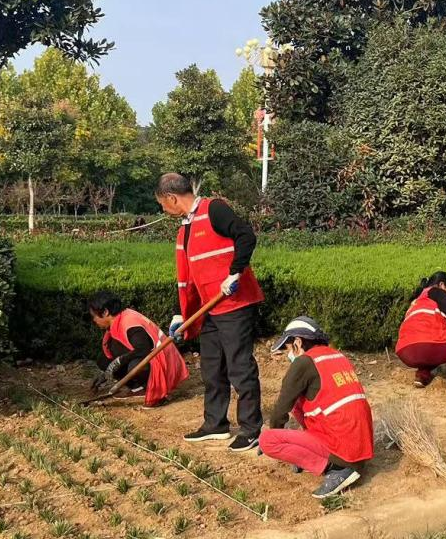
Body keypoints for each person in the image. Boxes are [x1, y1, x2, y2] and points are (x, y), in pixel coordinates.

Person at [155, 173, 265, 451]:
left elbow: (246, 236)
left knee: (240, 367)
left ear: (171, 198)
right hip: (210, 310)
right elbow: (189, 277)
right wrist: (180, 313)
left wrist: (235, 272)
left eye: (162, 204)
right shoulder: (185, 228)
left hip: (235, 305)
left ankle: (252, 429)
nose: (163, 210)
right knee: (212, 367)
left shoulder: (214, 209)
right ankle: (215, 424)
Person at [258, 316, 374, 499]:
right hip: (360, 447)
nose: (288, 354)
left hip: (342, 451)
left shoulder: (303, 362)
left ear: (297, 342)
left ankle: (335, 469)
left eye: (288, 348)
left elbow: (281, 408)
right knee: (301, 404)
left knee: (267, 440)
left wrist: (278, 436)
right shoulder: (337, 356)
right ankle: (337, 463)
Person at [87, 291, 188, 406]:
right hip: (151, 357)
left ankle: (154, 389)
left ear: (105, 312)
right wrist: (106, 373)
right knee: (104, 361)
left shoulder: (129, 322)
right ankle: (137, 388)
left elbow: (143, 350)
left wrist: (118, 361)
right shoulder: (117, 321)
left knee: (134, 365)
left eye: (93, 316)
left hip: (165, 363)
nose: (94, 320)